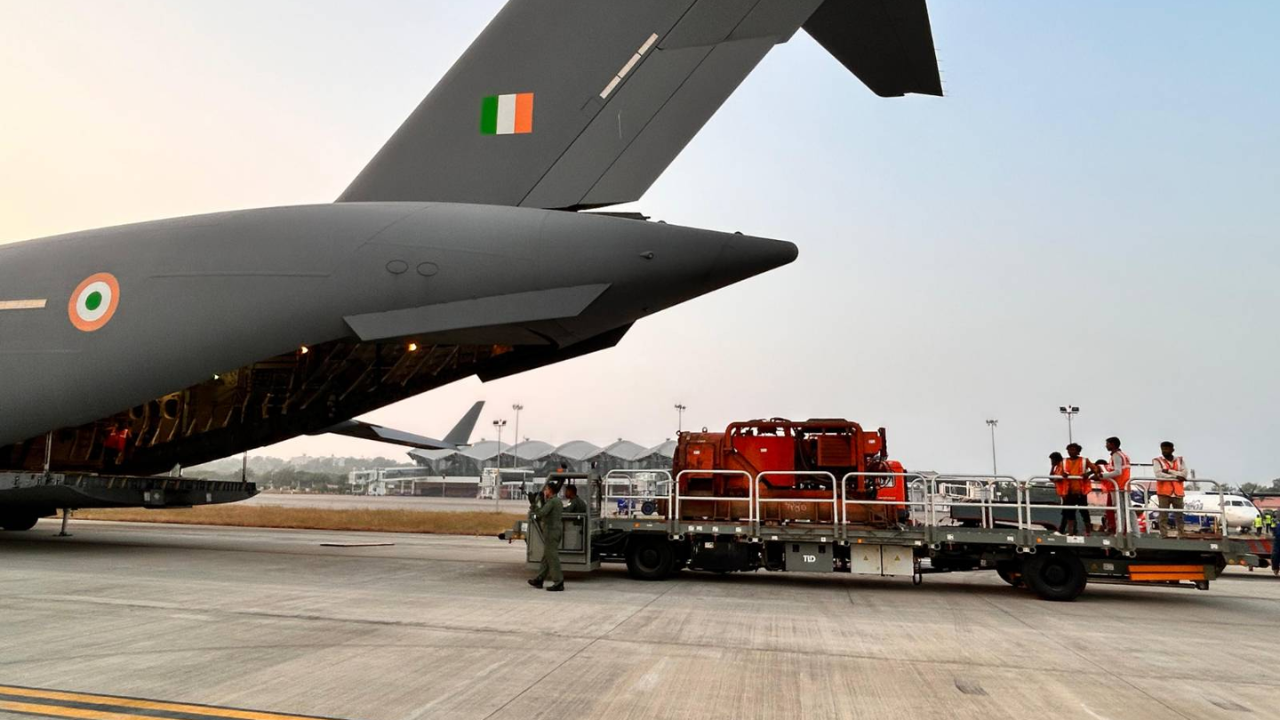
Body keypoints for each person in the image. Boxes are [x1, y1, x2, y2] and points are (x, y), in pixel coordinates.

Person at [528, 480, 565, 591]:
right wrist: (543, 500)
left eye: (546, 489)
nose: (545, 491)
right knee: (546, 557)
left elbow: (541, 514)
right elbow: (547, 512)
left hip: (551, 532)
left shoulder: (552, 502)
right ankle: (539, 579)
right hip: (555, 531)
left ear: (550, 490)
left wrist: (533, 503)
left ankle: (559, 582)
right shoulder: (556, 501)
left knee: (552, 557)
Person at [1053, 444, 1097, 535]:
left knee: (1084, 512)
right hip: (1069, 491)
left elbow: (1096, 469)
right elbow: (1056, 476)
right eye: (1069, 450)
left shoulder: (1084, 460)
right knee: (1070, 513)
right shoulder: (1063, 462)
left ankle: (1088, 532)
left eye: (1073, 450)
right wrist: (1062, 476)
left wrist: (1088, 474)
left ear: (1078, 451)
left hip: (1081, 491)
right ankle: (1071, 532)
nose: (1070, 452)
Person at [1095, 437, 1131, 534]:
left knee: (1119, 511)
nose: (1106, 445)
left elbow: (1118, 471)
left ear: (1113, 444)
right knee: (1125, 511)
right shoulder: (1124, 455)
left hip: (1118, 487)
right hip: (1123, 486)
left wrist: (1102, 476)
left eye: (1107, 444)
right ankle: (1125, 531)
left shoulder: (1116, 455)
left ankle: (1120, 531)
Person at [1152, 441, 1188, 536]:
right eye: (1163, 449)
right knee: (1163, 515)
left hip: (1178, 492)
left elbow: (1184, 474)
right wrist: (1176, 477)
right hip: (1164, 492)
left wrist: (1168, 471)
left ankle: (1181, 533)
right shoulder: (1157, 460)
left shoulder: (1180, 460)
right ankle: (1164, 534)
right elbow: (1159, 475)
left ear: (1172, 450)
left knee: (1179, 515)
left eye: (1167, 449)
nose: (1164, 451)